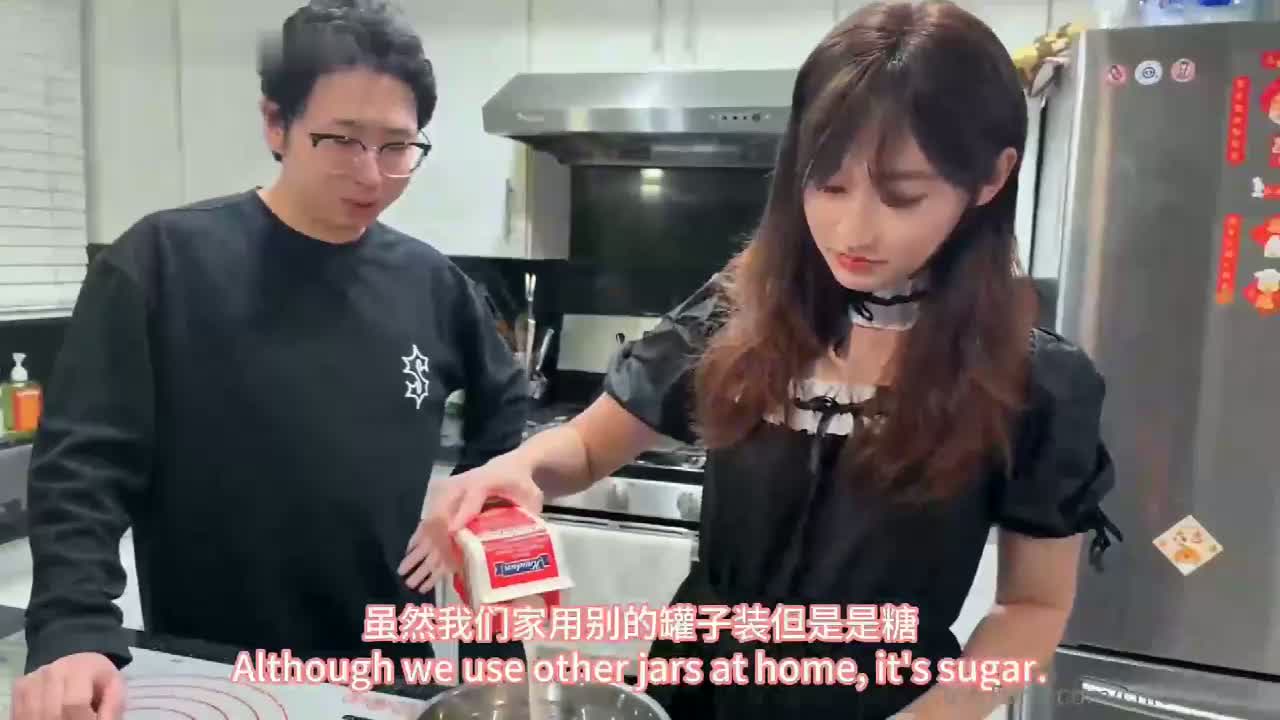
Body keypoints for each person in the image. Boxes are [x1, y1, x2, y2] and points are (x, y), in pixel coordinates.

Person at [401, 2, 1123, 718]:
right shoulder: (739, 313)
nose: (852, 229)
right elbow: (588, 447)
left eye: (902, 195)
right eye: (828, 184)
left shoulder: (1033, 382)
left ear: (991, 178)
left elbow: (1032, 605)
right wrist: (520, 468)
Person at [13, 0, 528, 717]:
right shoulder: (162, 263)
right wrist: (71, 630)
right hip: (213, 671)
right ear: (275, 124)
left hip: (385, 679)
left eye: (397, 146)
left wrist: (475, 516)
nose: (371, 174)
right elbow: (83, 469)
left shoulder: (433, 284)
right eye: (341, 140)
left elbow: (505, 411)